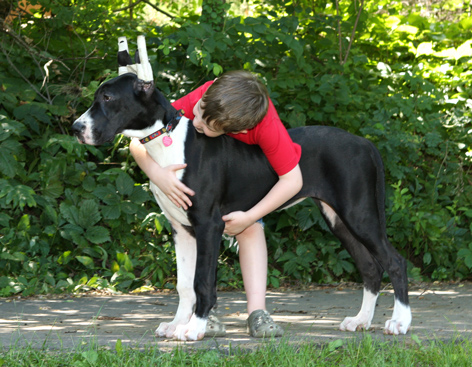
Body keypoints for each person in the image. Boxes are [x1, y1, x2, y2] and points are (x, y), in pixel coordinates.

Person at [129, 70, 303, 337]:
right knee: (197, 226)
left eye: (206, 125)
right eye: (198, 111)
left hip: (248, 172)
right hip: (210, 169)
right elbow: (142, 139)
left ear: (240, 131)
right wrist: (158, 175)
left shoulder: (265, 125)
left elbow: (292, 180)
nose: (195, 121)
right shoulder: (206, 99)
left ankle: (258, 313)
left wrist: (250, 215)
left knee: (251, 228)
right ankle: (202, 312)